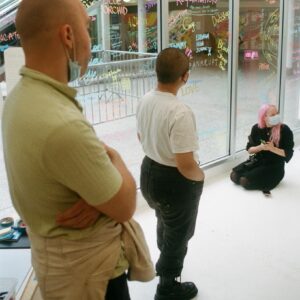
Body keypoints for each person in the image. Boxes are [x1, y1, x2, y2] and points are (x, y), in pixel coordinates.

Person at [1, 0, 154, 299]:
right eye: (87, 27)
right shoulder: (61, 123)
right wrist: (116, 160)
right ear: (68, 35)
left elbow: (64, 167)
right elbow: (124, 205)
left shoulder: (21, 97)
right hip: (94, 282)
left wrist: (97, 192)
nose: (90, 38)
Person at [136, 48, 205, 300]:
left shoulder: (145, 100)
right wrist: (200, 178)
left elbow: (140, 137)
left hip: (148, 173)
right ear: (185, 77)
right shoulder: (180, 112)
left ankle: (164, 256)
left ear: (157, 72)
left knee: (164, 219)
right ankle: (167, 286)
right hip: (173, 181)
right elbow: (185, 163)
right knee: (179, 233)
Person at [230, 104, 294, 196]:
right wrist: (260, 147)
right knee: (234, 176)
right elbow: (250, 150)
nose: (276, 116)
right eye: (272, 115)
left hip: (274, 166)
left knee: (244, 181)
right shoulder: (256, 128)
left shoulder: (285, 130)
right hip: (258, 161)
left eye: (277, 113)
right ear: (264, 117)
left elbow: (288, 153)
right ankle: (253, 174)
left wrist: (273, 149)